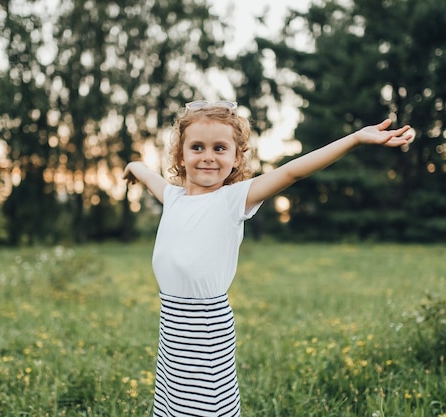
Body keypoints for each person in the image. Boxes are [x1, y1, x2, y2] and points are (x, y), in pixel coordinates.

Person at [122, 101, 412, 416]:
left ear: (235, 158)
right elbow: (144, 172)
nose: (208, 156)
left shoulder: (232, 200)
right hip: (173, 327)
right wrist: (131, 169)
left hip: (205, 329)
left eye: (220, 148)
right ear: (181, 155)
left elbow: (292, 171)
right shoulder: (173, 198)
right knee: (172, 405)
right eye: (197, 147)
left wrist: (355, 138)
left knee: (205, 407)